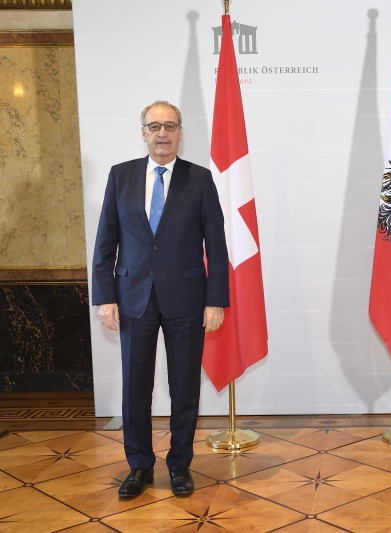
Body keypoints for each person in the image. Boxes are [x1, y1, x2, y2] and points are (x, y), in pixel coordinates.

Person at [92, 101, 229, 498]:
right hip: (132, 297)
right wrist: (104, 296)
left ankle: (180, 466)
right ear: (143, 132)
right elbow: (106, 242)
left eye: (169, 125)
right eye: (154, 126)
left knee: (184, 385)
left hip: (187, 299)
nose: (162, 133)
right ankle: (139, 466)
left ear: (181, 131)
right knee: (136, 389)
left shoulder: (199, 179)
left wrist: (215, 300)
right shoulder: (121, 176)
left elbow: (216, 247)